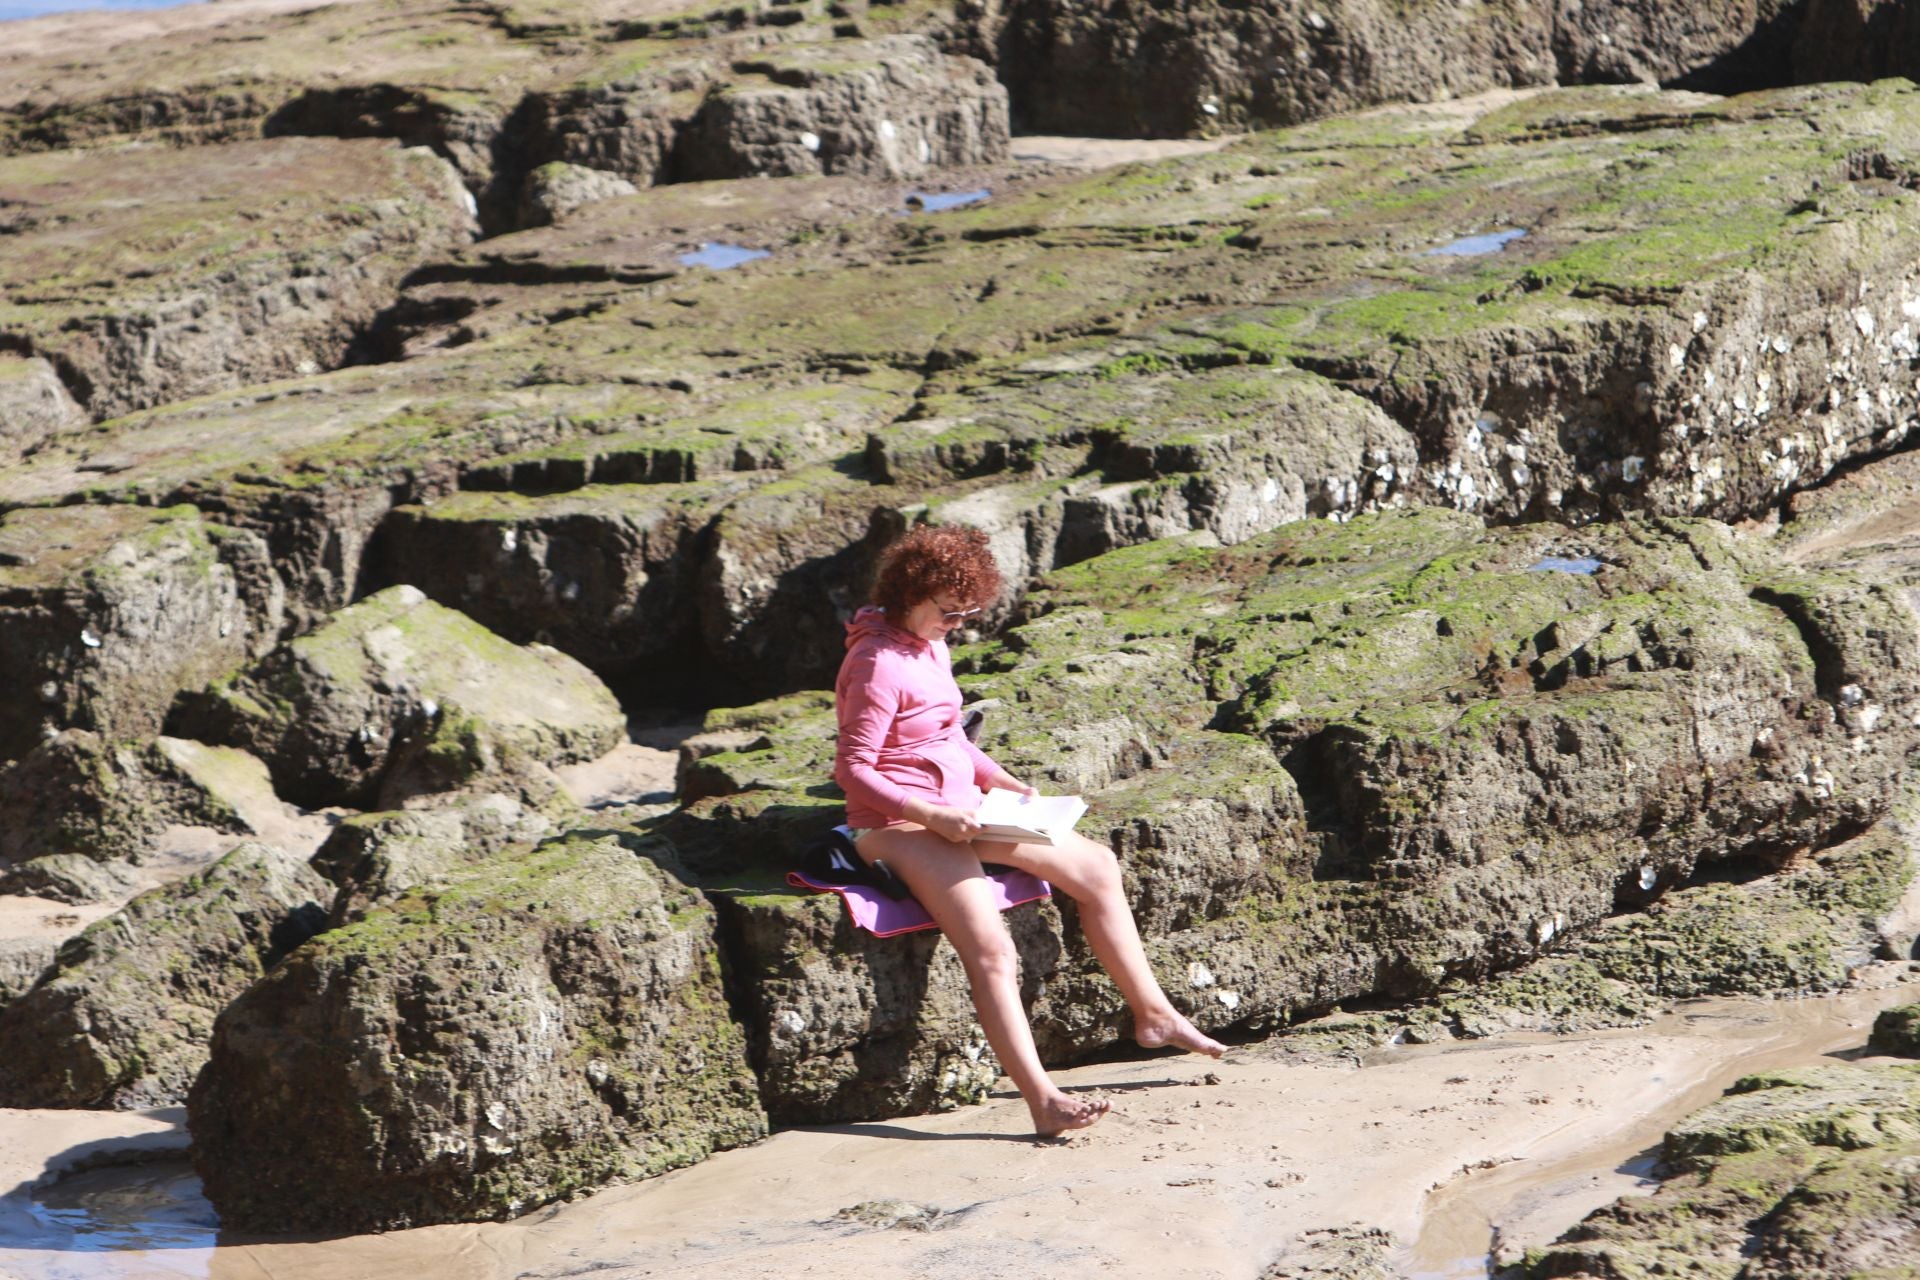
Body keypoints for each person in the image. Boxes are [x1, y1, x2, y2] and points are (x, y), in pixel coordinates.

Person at [834, 524, 1225, 1136]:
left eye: (966, 613)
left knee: (1096, 866)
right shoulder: (876, 664)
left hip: (962, 808)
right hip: (895, 823)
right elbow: (853, 770)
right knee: (991, 947)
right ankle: (1043, 1100)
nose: (957, 624)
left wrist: (1004, 781)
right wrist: (931, 815)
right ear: (910, 593)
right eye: (949, 612)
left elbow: (947, 736)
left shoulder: (928, 645)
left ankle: (1153, 1014)